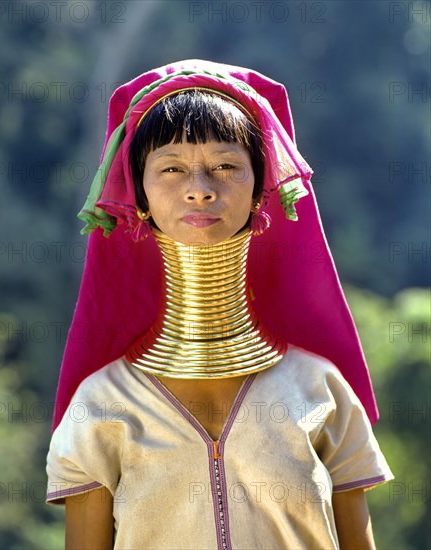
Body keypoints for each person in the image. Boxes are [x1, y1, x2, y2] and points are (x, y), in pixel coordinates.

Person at [46, 60, 393, 549]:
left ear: (260, 189)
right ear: (137, 194)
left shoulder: (321, 391)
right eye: (171, 167)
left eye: (227, 166)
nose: (200, 188)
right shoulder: (100, 405)